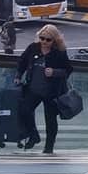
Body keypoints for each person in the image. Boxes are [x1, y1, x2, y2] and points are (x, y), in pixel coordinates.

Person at [15, 24, 73, 154]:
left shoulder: (59, 52)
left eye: (48, 40)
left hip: (51, 92)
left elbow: (68, 70)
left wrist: (54, 72)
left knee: (50, 120)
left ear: (55, 40)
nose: (44, 42)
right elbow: (22, 62)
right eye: (42, 38)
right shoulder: (33, 48)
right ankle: (33, 135)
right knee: (24, 110)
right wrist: (18, 76)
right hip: (33, 88)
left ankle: (48, 148)